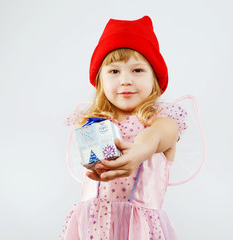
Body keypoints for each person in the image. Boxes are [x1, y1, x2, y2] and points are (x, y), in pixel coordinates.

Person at [59, 16, 188, 240]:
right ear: (100, 79)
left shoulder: (160, 121)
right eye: (114, 71)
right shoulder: (93, 123)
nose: (125, 80)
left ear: (155, 78)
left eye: (137, 70)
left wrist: (141, 149)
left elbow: (156, 136)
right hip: (92, 226)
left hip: (140, 230)